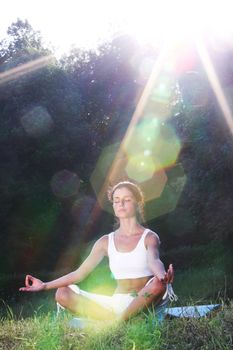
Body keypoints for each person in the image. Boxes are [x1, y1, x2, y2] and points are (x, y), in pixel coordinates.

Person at [20, 181, 176, 321]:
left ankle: (118, 323)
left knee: (157, 284)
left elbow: (154, 260)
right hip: (117, 303)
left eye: (127, 200)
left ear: (137, 203)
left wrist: (163, 276)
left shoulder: (149, 237)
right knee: (63, 293)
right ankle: (122, 320)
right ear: (113, 205)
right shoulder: (105, 242)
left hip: (145, 301)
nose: (121, 203)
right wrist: (44, 285)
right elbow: (79, 274)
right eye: (116, 200)